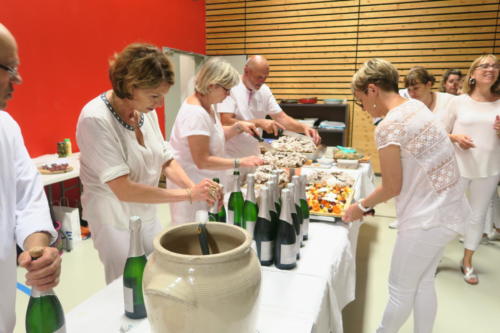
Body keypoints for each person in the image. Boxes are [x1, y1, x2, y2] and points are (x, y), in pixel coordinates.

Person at [343, 58, 470, 333]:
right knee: (423, 282)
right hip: (450, 210)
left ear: (373, 89)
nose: (363, 107)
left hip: (427, 219)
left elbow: (391, 187)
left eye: (360, 99)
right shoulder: (416, 107)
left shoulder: (389, 125)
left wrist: (360, 206)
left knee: (399, 290)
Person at [76, 43, 218, 284]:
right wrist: (188, 194)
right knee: (128, 283)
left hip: (145, 210)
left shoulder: (144, 110)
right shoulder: (95, 119)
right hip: (113, 216)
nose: (160, 104)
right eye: (155, 96)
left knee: (156, 274)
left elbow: (166, 159)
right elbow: (124, 189)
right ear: (131, 87)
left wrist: (196, 189)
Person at [0, 23, 61, 332]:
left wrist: (38, 252)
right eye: (9, 69)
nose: (16, 81)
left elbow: (28, 201)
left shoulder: (6, 127)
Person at [168, 57, 264, 225]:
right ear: (212, 85)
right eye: (226, 90)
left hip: (208, 183)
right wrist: (240, 162)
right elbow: (202, 160)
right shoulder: (195, 113)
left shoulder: (208, 106)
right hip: (193, 183)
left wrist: (238, 127)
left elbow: (215, 137)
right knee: (195, 233)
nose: (228, 95)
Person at [441, 54, 500, 285]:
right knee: (446, 214)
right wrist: (455, 137)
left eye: (495, 65)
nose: (491, 68)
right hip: (458, 167)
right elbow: (439, 133)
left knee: (476, 217)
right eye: (485, 65)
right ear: (473, 74)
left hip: (489, 168)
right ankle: (435, 257)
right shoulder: (457, 102)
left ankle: (467, 262)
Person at [217, 55, 321, 159]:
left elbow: (281, 118)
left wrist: (304, 128)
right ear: (246, 71)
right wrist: (259, 122)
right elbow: (225, 121)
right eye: (259, 77)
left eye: (265, 77)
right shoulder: (231, 86)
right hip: (230, 156)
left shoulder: (264, 90)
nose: (262, 81)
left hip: (253, 154)